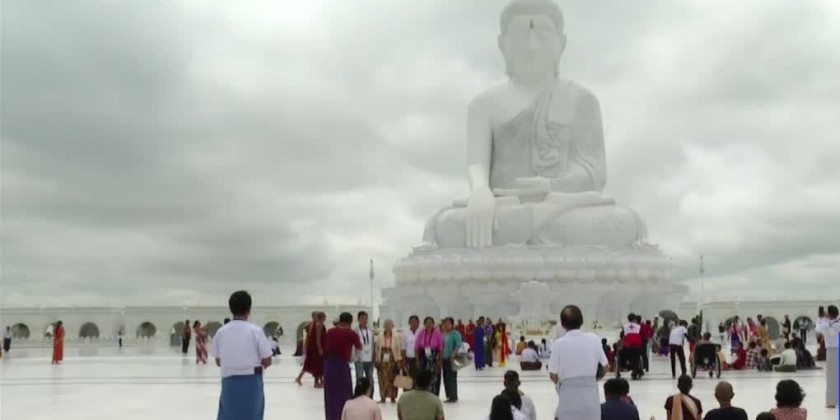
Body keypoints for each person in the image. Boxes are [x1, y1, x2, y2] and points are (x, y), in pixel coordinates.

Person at [212, 291, 273, 420]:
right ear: (248, 310)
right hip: (252, 383)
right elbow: (267, 359)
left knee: (229, 414)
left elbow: (218, 361)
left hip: (229, 383)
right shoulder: (255, 331)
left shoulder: (221, 332)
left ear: (231, 309)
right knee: (252, 414)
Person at [549, 305, 609, 420]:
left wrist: (563, 384)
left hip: (568, 396)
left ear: (562, 324)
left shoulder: (558, 344)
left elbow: (553, 375)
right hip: (590, 396)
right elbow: (605, 367)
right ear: (581, 321)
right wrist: (591, 380)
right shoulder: (594, 339)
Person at [324, 312, 363, 420]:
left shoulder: (330, 332)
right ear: (350, 322)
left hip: (329, 365)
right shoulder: (350, 333)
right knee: (344, 393)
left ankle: (331, 417)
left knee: (331, 394)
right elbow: (359, 347)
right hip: (342, 365)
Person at [815, 304, 839, 408]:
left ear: (828, 314)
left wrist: (820, 318)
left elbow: (817, 328)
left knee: (831, 378)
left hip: (832, 352)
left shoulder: (825, 325)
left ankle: (832, 401)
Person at [375, 319, 403, 403]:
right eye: (386, 325)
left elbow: (399, 349)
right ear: (384, 326)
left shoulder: (397, 336)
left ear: (392, 326)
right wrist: (377, 359)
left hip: (393, 357)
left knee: (393, 377)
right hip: (382, 358)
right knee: (382, 378)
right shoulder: (380, 336)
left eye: (389, 325)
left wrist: (399, 360)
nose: (388, 327)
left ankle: (393, 397)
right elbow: (377, 349)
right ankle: (383, 397)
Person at [415, 316, 443, 396]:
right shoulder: (421, 333)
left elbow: (440, 348)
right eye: (427, 323)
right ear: (424, 324)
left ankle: (434, 394)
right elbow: (416, 348)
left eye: (430, 323)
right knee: (424, 376)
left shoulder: (437, 333)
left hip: (434, 357)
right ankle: (424, 394)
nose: (428, 325)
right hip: (423, 358)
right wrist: (417, 360)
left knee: (435, 376)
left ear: (433, 324)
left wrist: (440, 360)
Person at [300, 312, 326, 388]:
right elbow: (318, 338)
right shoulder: (318, 325)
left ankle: (319, 382)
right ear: (322, 317)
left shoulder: (316, 324)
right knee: (317, 365)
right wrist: (320, 348)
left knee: (318, 365)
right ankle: (316, 383)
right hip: (317, 349)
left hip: (315, 348)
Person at [355, 311, 376, 398]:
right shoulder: (355, 331)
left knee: (370, 378)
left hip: (370, 358)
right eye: (362, 319)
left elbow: (373, 343)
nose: (364, 321)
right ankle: (359, 396)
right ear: (358, 320)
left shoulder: (371, 330)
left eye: (366, 319)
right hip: (360, 358)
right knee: (359, 378)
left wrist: (374, 353)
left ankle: (370, 396)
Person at [441, 317, 462, 403]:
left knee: (452, 377)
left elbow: (458, 344)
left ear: (452, 324)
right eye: (445, 323)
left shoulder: (455, 333)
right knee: (446, 377)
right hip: (444, 358)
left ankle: (453, 396)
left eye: (448, 323)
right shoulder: (443, 334)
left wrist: (453, 353)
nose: (446, 325)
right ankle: (449, 395)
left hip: (452, 358)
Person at [619, 313, 643, 379]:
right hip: (636, 345)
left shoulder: (624, 326)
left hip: (627, 346)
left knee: (622, 354)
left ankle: (625, 366)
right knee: (636, 359)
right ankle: (636, 371)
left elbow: (622, 336)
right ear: (635, 319)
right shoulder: (638, 326)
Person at [402, 315, 421, 380]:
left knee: (418, 377)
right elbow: (403, 347)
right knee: (408, 378)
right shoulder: (405, 333)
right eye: (412, 322)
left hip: (419, 358)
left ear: (418, 322)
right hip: (408, 358)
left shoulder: (421, 332)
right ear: (409, 323)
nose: (414, 323)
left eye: (415, 321)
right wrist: (404, 360)